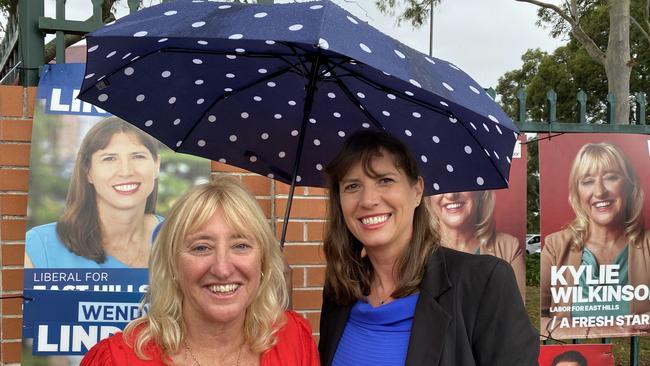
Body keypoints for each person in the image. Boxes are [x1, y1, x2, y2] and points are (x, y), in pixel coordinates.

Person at [318, 130, 538, 366]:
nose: (368, 200)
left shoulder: (483, 283)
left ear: (417, 191)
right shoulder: (339, 292)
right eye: (352, 186)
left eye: (385, 180)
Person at [81, 176, 319, 365]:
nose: (223, 268)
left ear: (263, 261)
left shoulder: (293, 339)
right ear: (173, 264)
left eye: (241, 245)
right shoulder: (116, 360)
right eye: (201, 247)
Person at [541, 142, 650, 339]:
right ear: (577, 192)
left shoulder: (648, 245)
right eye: (588, 181)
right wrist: (604, 331)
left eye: (611, 177)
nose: (599, 192)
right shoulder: (555, 246)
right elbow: (534, 320)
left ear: (629, 185)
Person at [25, 117, 162, 268]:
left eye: (137, 156)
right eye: (109, 158)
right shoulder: (40, 247)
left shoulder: (179, 241)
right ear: (88, 171)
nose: (125, 171)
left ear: (156, 165)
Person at [428, 190, 526, 301]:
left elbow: (517, 314)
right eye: (441, 185)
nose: (451, 195)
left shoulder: (509, 247)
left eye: (462, 181)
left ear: (482, 192)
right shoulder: (414, 249)